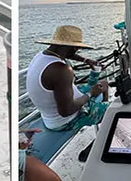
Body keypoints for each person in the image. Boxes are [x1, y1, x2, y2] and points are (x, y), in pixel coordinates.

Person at [25, 25, 109, 164]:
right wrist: (90, 93)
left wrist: (86, 60)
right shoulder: (61, 70)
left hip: (49, 115)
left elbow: (66, 54)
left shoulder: (42, 56)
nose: (77, 50)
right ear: (66, 47)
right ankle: (96, 141)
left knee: (103, 83)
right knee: (114, 112)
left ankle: (101, 107)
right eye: (75, 47)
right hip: (66, 121)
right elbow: (66, 110)